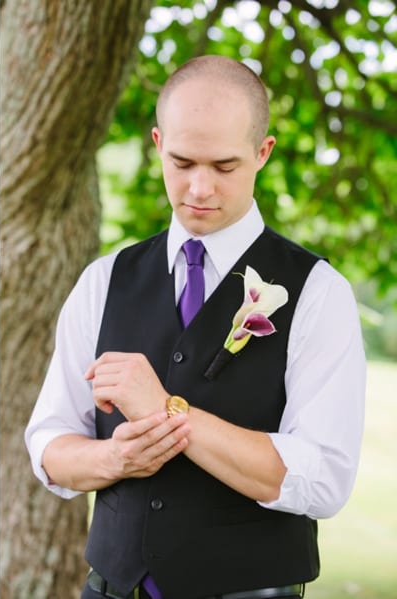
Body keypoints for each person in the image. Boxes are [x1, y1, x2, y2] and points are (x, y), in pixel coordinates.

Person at [25, 55, 365, 599]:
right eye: (182, 162)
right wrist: (113, 457)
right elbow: (48, 444)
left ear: (263, 153)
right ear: (158, 143)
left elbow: (323, 480)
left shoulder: (319, 293)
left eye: (224, 167)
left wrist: (167, 414)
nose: (200, 188)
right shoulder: (103, 280)